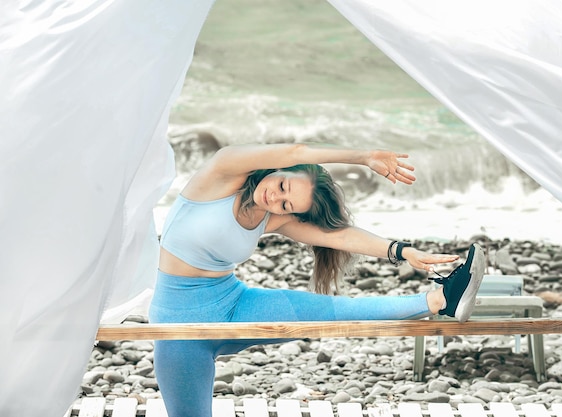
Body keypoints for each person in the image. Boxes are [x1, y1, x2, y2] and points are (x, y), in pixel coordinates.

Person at [149, 143, 485, 417]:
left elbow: (339, 237)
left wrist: (402, 251)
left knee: (336, 310)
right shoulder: (221, 173)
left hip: (236, 304)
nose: (275, 199)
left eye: (286, 204)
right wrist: (363, 157)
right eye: (281, 186)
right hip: (179, 323)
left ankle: (442, 299)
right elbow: (296, 151)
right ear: (278, 168)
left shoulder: (274, 217)